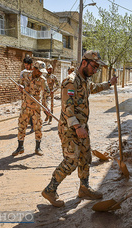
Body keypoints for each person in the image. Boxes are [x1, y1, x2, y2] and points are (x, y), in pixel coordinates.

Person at [42, 50, 110, 207]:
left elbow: (93, 88)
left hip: (82, 127)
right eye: (94, 67)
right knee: (71, 161)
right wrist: (78, 126)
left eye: (97, 68)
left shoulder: (84, 80)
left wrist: (109, 84)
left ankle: (84, 188)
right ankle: (50, 190)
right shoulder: (71, 81)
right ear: (84, 63)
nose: (95, 71)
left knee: (86, 157)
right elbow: (67, 107)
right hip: (70, 129)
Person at [12, 61, 50, 157]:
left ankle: (38, 148)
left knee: (38, 127)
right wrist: (19, 87)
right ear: (34, 69)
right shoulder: (24, 74)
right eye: (39, 71)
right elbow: (18, 85)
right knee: (21, 126)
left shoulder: (42, 80)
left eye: (42, 72)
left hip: (36, 108)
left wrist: (47, 107)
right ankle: (20, 147)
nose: (40, 73)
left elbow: (46, 95)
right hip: (25, 106)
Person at [20, 56, 34, 132]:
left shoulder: (35, 73)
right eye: (25, 65)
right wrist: (20, 87)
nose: (26, 67)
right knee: (25, 112)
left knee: (34, 112)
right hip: (26, 96)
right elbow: (20, 83)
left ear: (31, 64)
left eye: (27, 65)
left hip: (34, 96)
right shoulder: (23, 73)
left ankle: (33, 126)